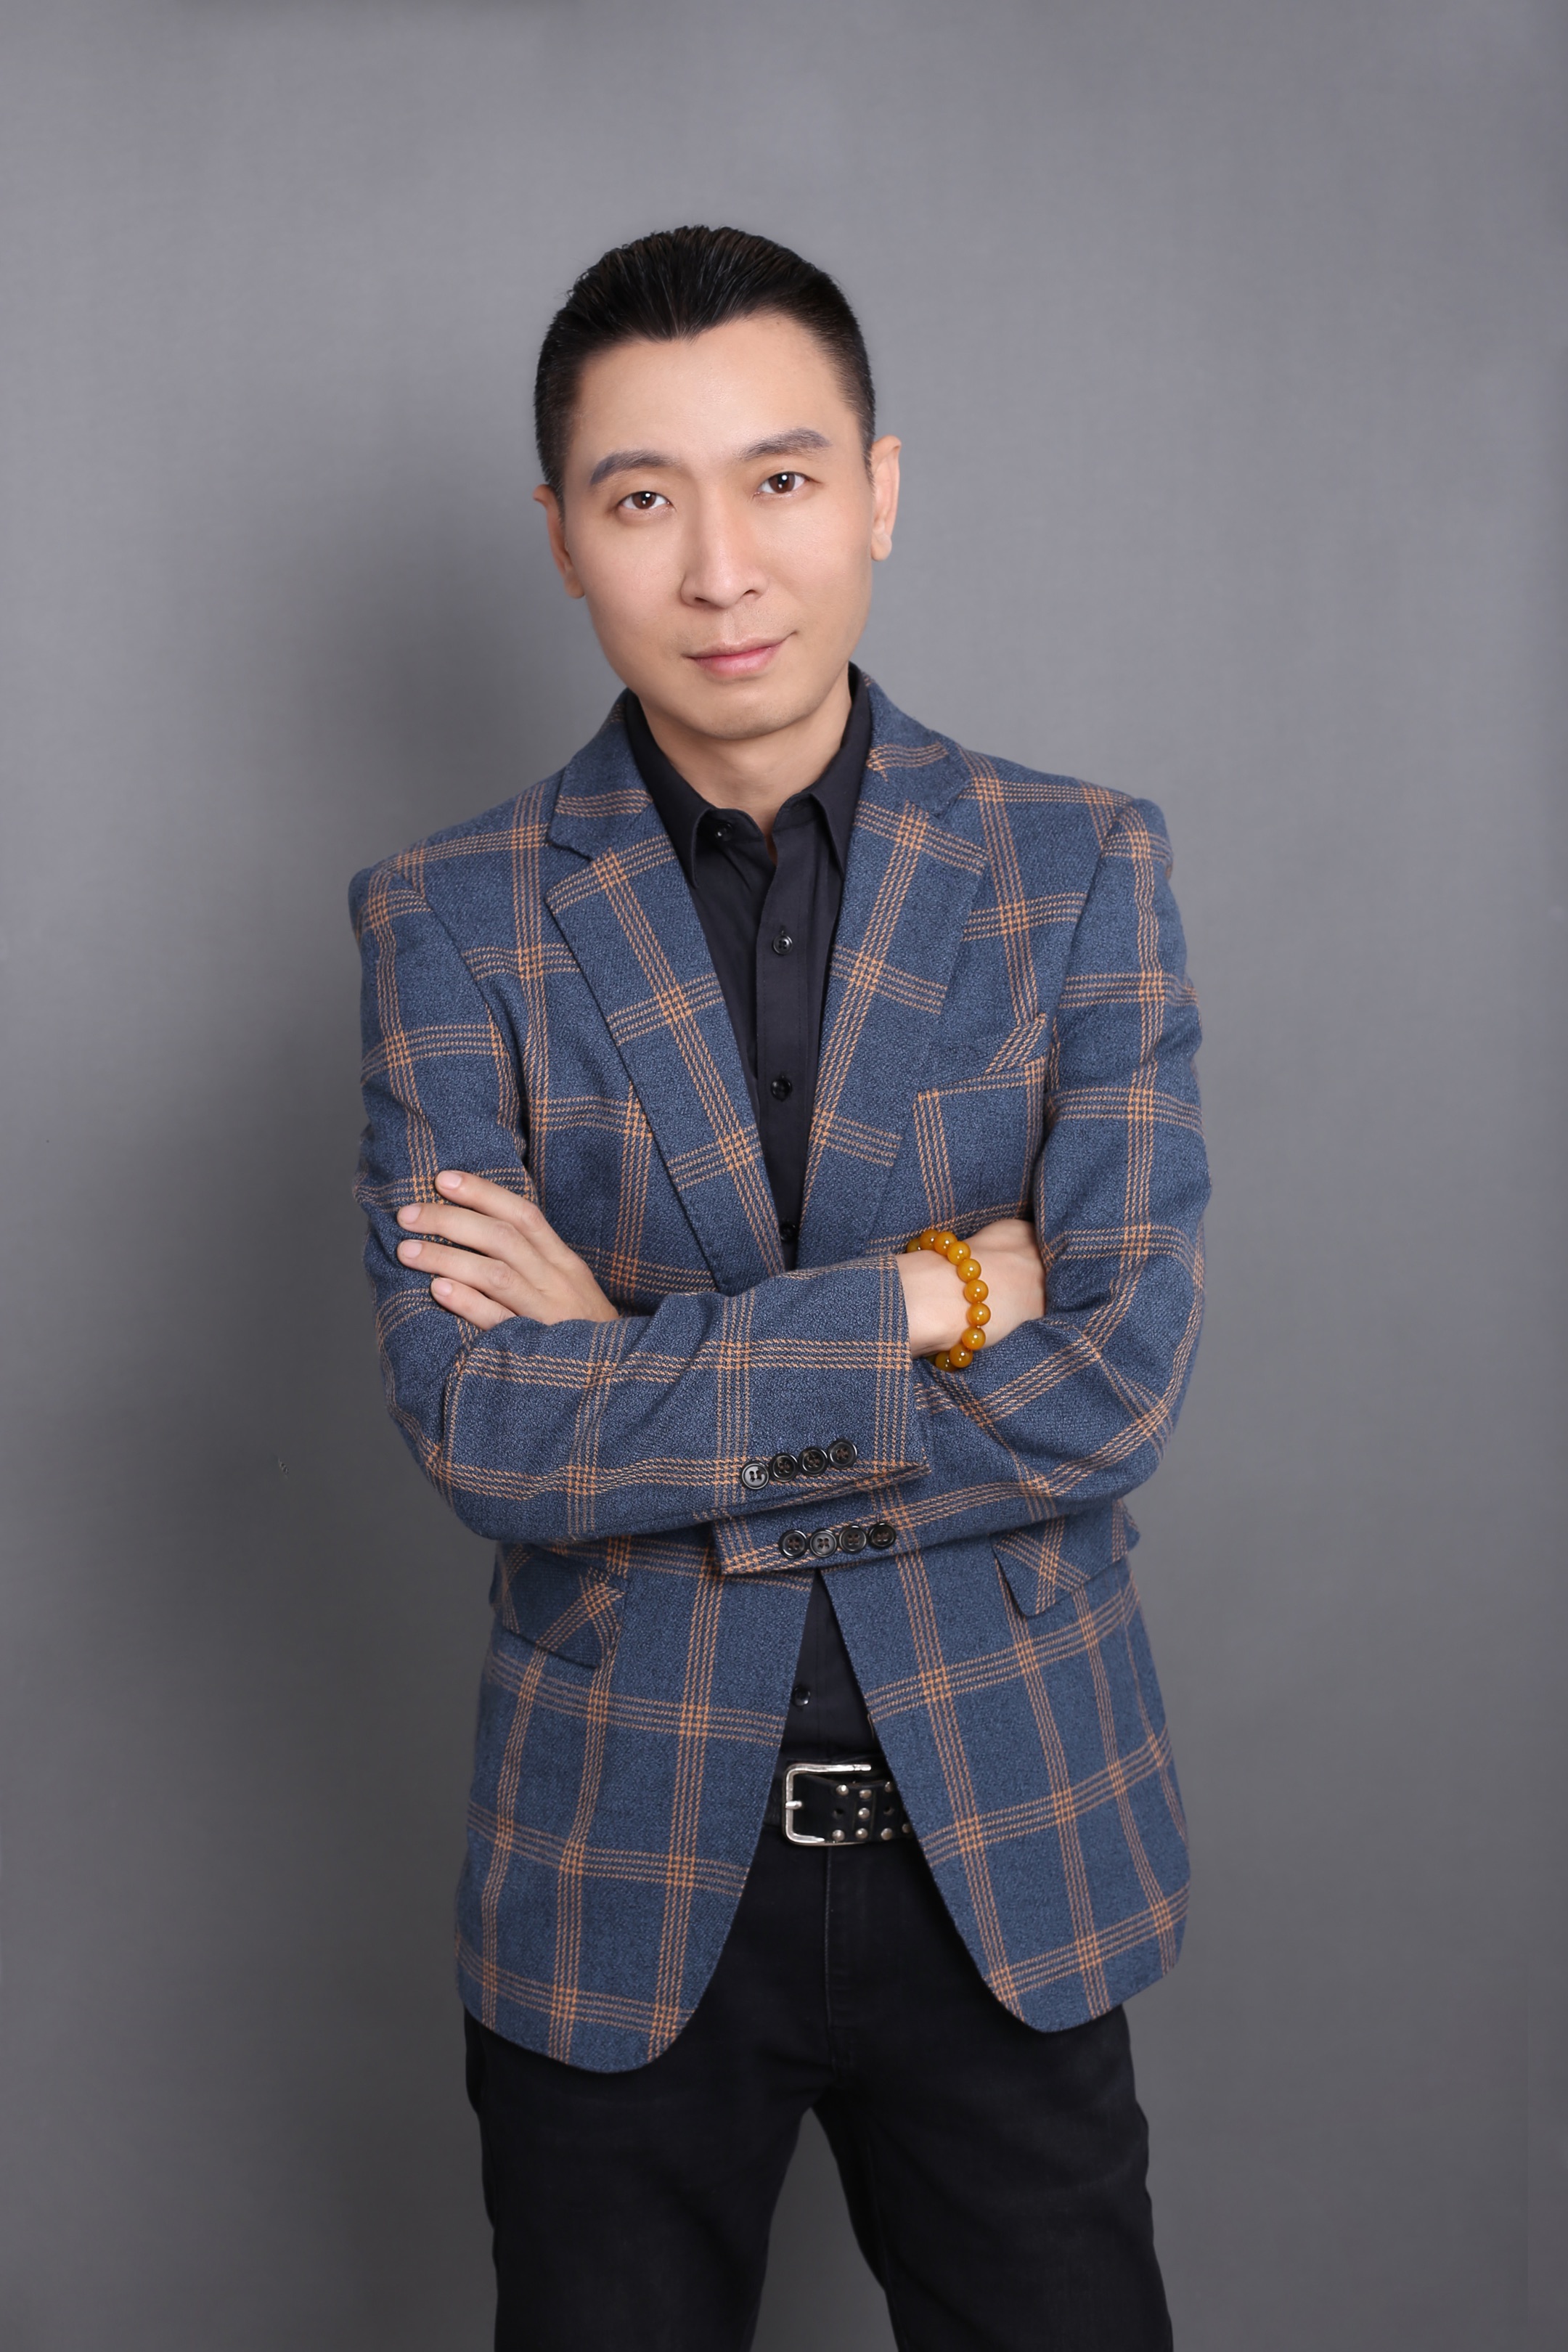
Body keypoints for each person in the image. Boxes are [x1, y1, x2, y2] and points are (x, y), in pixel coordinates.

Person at [351, 224, 1209, 2352]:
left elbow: (1112, 1384)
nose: (722, 567)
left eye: (784, 479)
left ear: (879, 493)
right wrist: (918, 1302)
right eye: (644, 497)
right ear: (564, 534)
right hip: (620, 1870)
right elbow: (485, 1430)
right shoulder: (451, 919)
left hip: (1007, 1839)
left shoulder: (1078, 869)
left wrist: (633, 1378)